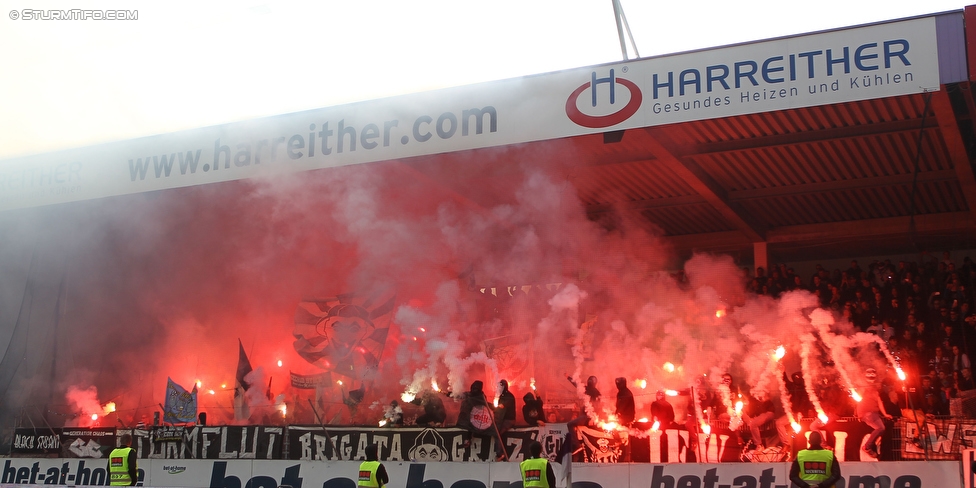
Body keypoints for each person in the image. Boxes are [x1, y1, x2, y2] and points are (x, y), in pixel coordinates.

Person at [857, 368, 893, 458]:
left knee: (881, 428)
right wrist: (859, 413)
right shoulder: (863, 387)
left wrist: (885, 414)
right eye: (870, 375)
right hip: (868, 413)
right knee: (881, 428)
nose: (872, 377)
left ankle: (870, 445)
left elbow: (879, 402)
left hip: (874, 413)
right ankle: (867, 446)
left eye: (873, 375)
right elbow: (859, 399)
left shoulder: (875, 390)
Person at [494, 380, 517, 460]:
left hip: (509, 420)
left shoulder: (509, 396)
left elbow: (502, 406)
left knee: (498, 433)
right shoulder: (502, 396)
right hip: (503, 419)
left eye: (499, 386)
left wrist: (497, 406)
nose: (498, 388)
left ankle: (499, 454)